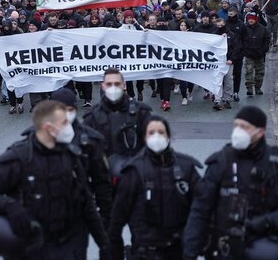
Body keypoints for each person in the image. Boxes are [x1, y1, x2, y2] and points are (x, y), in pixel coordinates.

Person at [0, 100, 111, 260]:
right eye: (64, 122)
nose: (70, 126)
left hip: (68, 245)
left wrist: (104, 244)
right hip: (32, 247)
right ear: (49, 128)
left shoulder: (71, 156)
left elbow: (86, 203)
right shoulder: (19, 158)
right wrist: (10, 206)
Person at [183, 107, 278, 260]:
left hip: (265, 245)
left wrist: (269, 221)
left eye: (244, 127)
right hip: (224, 247)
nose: (238, 131)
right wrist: (189, 252)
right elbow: (200, 209)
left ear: (260, 132)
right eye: (236, 126)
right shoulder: (220, 162)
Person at [109, 116, 202, 260]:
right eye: (151, 132)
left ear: (168, 136)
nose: (156, 136)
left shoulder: (186, 167)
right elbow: (118, 216)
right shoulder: (134, 171)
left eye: (161, 132)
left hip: (179, 250)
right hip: (145, 251)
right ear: (144, 137)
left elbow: (202, 206)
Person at [49, 88, 112, 227]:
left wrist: (105, 215)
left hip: (79, 209)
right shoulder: (37, 139)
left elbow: (101, 181)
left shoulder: (90, 140)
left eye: (69, 109)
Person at [83, 68, 152, 183]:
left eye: (117, 84)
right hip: (103, 180)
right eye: (109, 84)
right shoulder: (92, 117)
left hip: (135, 177)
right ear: (103, 86)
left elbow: (150, 146)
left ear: (124, 85)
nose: (113, 87)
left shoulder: (141, 112)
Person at [213, 17, 240, 111]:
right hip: (217, 62)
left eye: (222, 25)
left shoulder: (231, 35)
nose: (220, 27)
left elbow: (235, 48)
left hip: (228, 61)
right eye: (218, 25)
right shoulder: (214, 35)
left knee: (228, 80)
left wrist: (232, 59)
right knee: (218, 81)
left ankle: (227, 99)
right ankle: (217, 99)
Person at [241, 12, 271, 97]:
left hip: (259, 54)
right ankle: (249, 88)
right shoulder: (244, 28)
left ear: (255, 19)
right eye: (249, 19)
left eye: (252, 19)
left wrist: (264, 50)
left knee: (260, 72)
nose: (250, 20)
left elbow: (267, 40)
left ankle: (258, 87)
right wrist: (244, 50)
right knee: (248, 71)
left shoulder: (262, 29)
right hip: (248, 54)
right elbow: (241, 40)